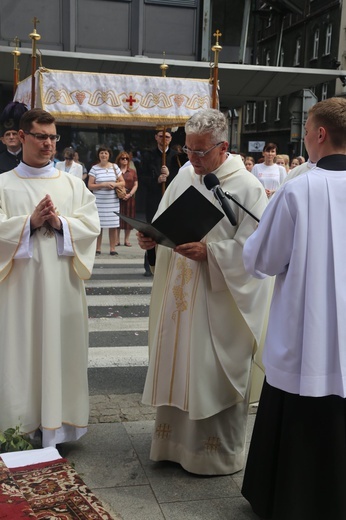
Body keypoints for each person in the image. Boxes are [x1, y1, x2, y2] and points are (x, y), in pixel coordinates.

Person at [137, 108, 272, 476]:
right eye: (188, 150)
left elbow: (258, 248)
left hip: (219, 301)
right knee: (180, 363)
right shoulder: (184, 175)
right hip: (181, 297)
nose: (193, 159)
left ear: (223, 146)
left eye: (201, 152)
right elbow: (165, 221)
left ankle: (213, 455)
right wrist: (151, 237)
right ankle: (172, 446)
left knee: (210, 370)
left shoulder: (247, 187)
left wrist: (211, 253)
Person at [241, 97, 346, 520]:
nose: (303, 135)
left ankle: (292, 500)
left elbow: (263, 260)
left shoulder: (297, 189)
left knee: (301, 405)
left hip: (309, 332)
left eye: (305, 127)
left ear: (320, 134)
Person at [0, 108, 100, 448]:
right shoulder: (3, 184)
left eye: (53, 137)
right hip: (19, 291)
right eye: (41, 136)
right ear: (22, 137)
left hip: (62, 288)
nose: (48, 144)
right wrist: (28, 223)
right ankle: (20, 427)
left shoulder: (72, 185)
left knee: (60, 350)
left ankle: (59, 427)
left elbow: (91, 226)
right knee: (20, 352)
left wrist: (60, 224)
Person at [139, 129, 180, 276]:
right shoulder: (148, 155)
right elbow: (142, 178)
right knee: (151, 232)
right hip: (154, 199)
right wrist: (156, 180)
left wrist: (169, 176)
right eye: (161, 136)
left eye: (167, 136)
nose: (164, 139)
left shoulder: (176, 157)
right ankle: (150, 264)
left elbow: (182, 178)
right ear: (156, 137)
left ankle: (169, 263)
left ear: (171, 139)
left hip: (171, 199)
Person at [88, 145, 125, 255]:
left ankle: (112, 248)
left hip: (112, 200)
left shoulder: (114, 167)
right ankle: (97, 248)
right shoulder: (94, 168)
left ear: (109, 155)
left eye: (106, 153)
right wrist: (102, 184)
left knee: (113, 225)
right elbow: (90, 185)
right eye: (101, 153)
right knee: (99, 225)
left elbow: (123, 182)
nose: (103, 155)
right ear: (98, 155)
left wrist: (114, 184)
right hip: (99, 201)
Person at [115, 151, 138, 246]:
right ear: (119, 160)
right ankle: (117, 239)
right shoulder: (116, 171)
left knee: (129, 218)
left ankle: (126, 239)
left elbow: (136, 184)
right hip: (118, 196)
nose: (125, 160)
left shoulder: (132, 171)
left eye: (126, 158)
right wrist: (120, 193)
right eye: (122, 158)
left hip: (129, 196)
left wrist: (130, 194)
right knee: (117, 218)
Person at [0, 101, 28, 174]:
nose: (11, 137)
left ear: (21, 136)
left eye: (14, 134)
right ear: (3, 140)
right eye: (8, 134)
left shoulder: (29, 157)